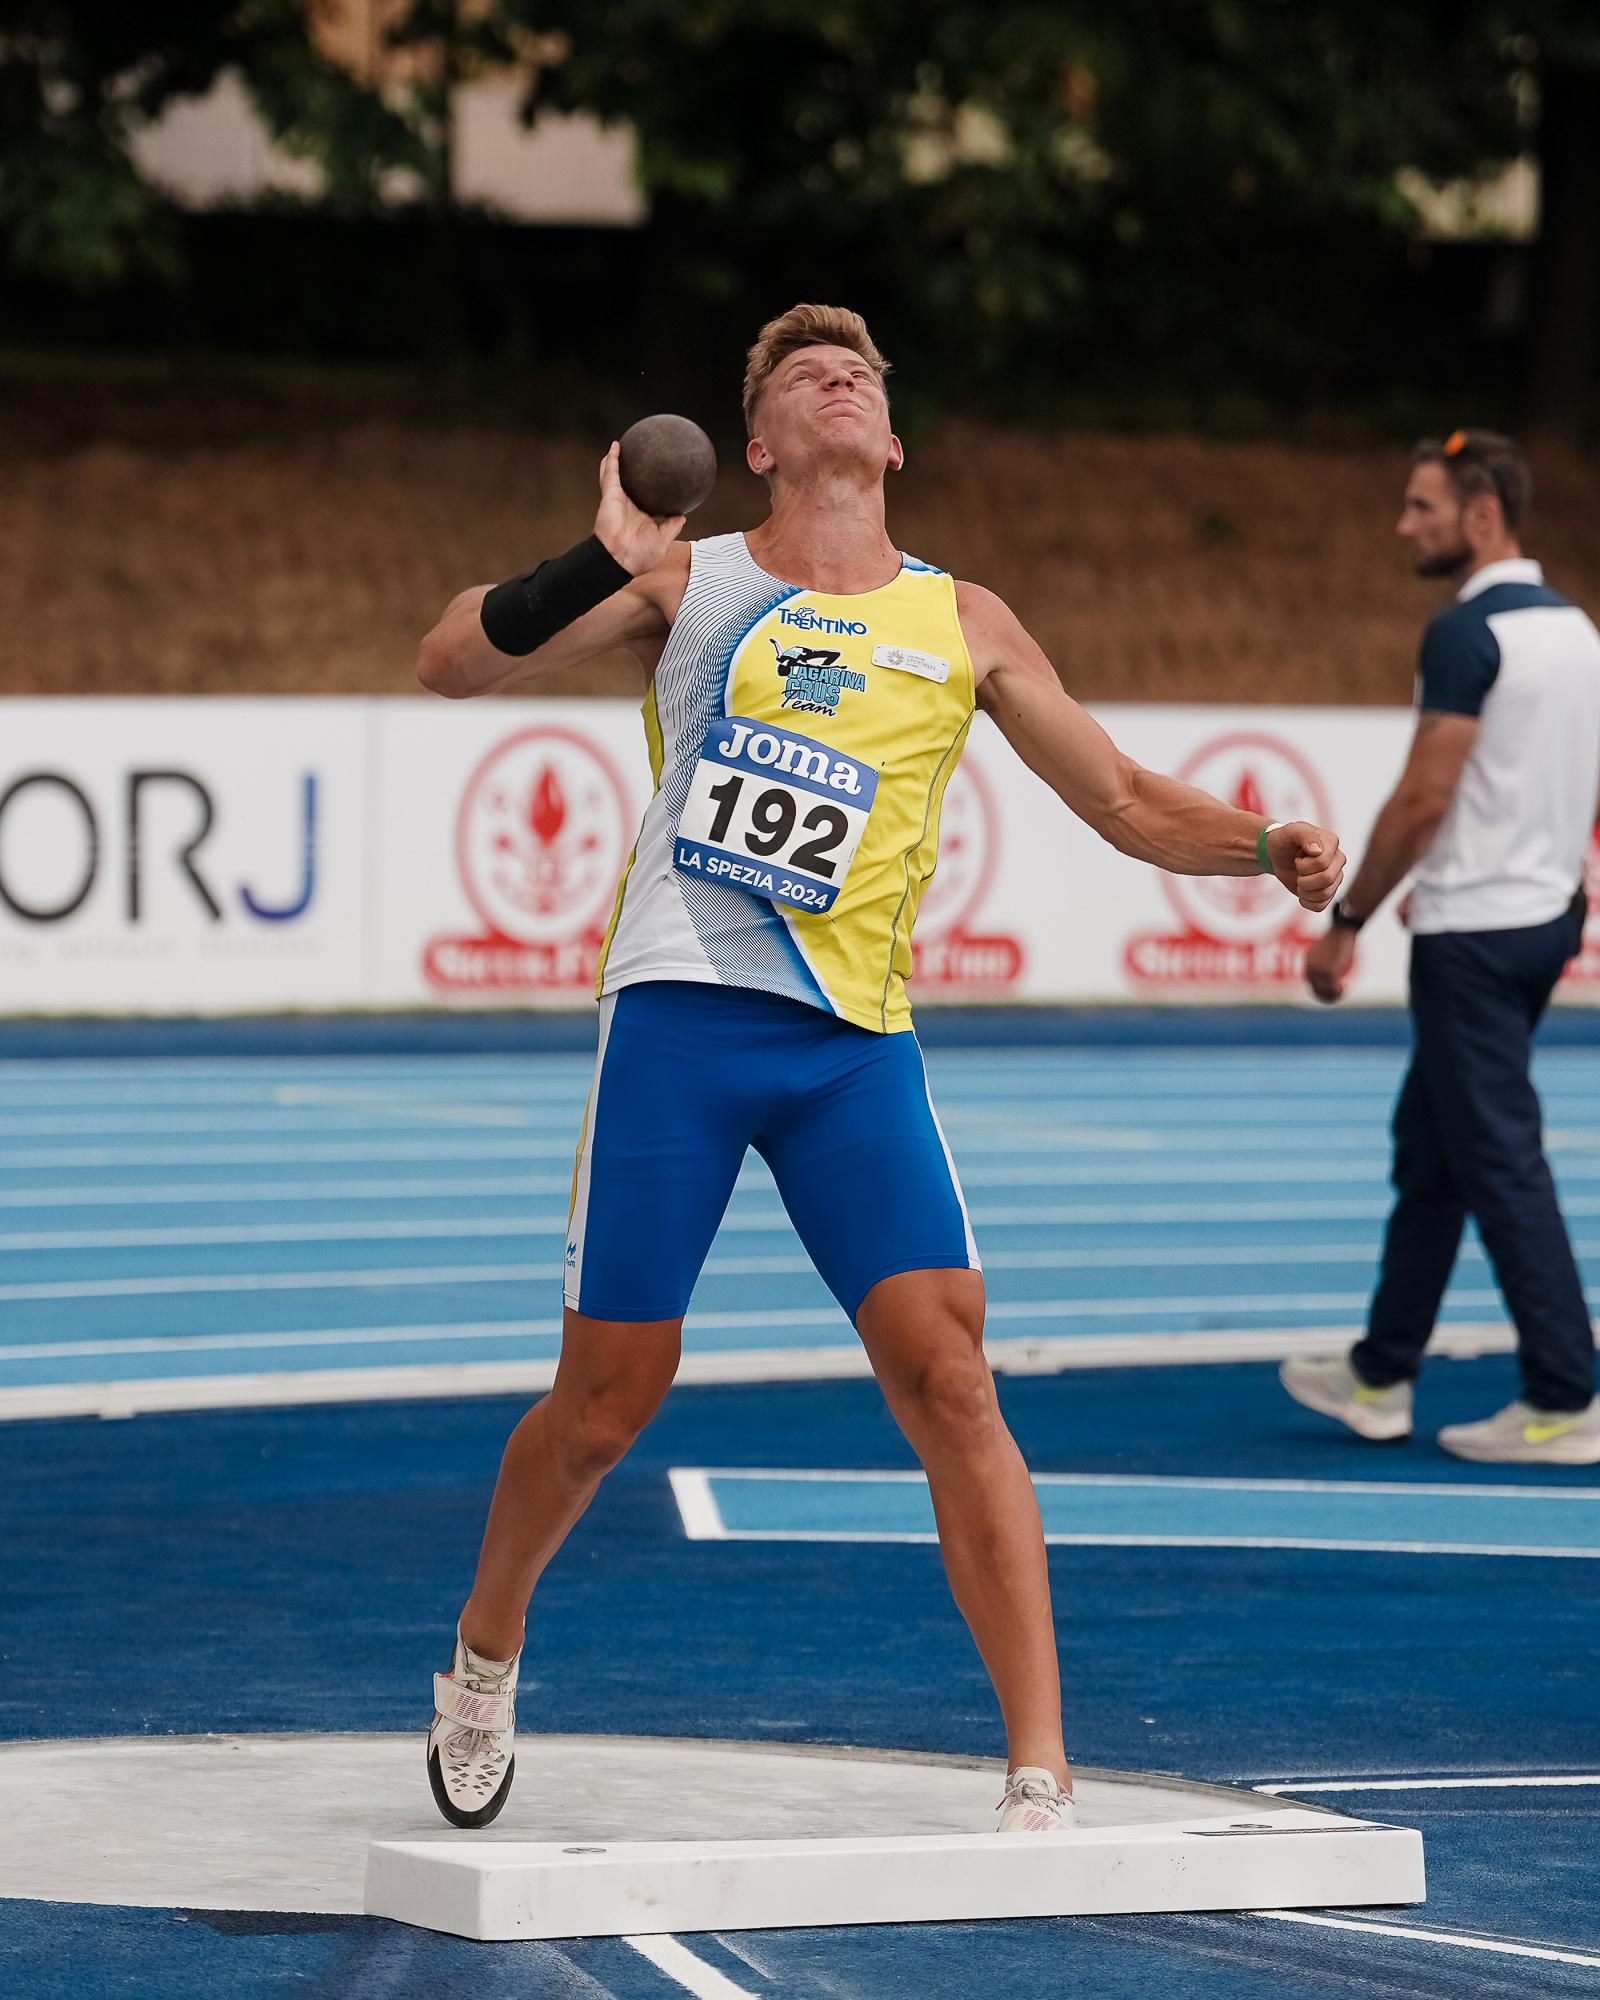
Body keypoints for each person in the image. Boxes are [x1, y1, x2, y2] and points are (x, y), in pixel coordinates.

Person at [414, 302, 1345, 1833]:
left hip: (854, 1052)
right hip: (681, 1022)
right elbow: (451, 662)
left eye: (859, 370)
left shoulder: (963, 618)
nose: (836, 377)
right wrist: (596, 557)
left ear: (894, 440)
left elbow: (1117, 794)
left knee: (952, 1378)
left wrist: (1260, 845)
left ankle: (1039, 1770)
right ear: (760, 444)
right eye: (801, 373)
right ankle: (484, 1654)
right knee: (603, 1405)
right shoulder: (689, 583)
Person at [1286, 429, 1600, 1465]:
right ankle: (1380, 1373)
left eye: (1422, 506)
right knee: (1435, 1148)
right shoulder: (1577, 629)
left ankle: (1564, 1395)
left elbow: (1425, 795)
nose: (1403, 525)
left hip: (1473, 936)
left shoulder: (1467, 632)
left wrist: (1345, 923)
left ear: (1481, 515)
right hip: (1545, 917)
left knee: (1497, 1157)